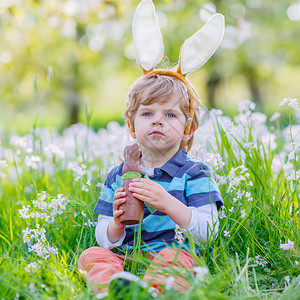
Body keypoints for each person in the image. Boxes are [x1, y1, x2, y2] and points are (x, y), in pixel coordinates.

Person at [78, 0, 225, 297]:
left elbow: (208, 233)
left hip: (174, 253)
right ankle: (111, 289)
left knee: (176, 260)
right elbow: (103, 234)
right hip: (127, 257)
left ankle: (157, 291)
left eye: (170, 115)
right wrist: (116, 225)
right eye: (147, 114)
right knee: (92, 254)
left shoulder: (195, 173)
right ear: (131, 126)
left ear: (188, 129)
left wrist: (169, 203)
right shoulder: (118, 175)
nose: (158, 121)